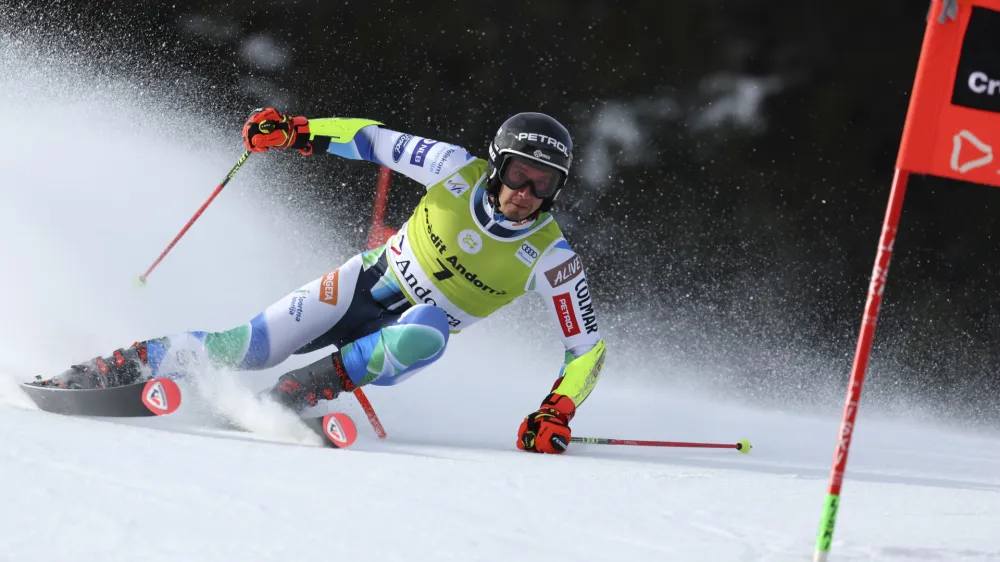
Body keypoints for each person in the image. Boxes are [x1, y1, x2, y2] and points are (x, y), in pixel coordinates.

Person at [42, 108, 607, 454]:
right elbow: (369, 139)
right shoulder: (451, 168)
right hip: (360, 286)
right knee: (248, 348)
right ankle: (107, 369)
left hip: (404, 332)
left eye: (543, 185)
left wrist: (556, 410)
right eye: (517, 174)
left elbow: (587, 350)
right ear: (495, 165)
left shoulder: (551, 257)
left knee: (426, 331)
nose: (525, 194)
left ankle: (296, 395)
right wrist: (296, 132)